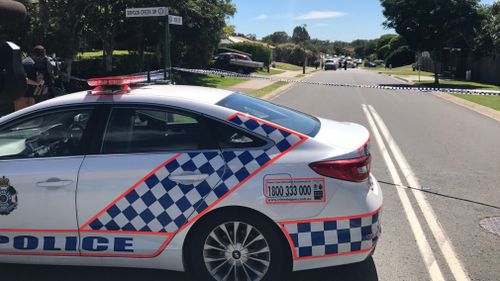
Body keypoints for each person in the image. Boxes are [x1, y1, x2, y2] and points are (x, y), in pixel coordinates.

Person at [15, 45, 45, 110]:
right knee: (21, 117)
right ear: (39, 56)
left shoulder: (31, 63)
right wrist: (37, 83)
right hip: (22, 96)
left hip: (28, 95)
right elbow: (24, 79)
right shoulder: (28, 64)